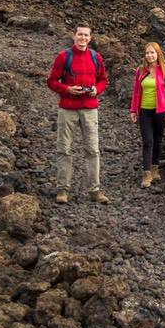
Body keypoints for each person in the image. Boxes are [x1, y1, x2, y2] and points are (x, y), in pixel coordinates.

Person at [47, 23, 107, 204]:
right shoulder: (63, 57)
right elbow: (51, 81)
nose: (83, 38)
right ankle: (63, 190)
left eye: (86, 35)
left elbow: (104, 80)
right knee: (64, 149)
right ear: (74, 36)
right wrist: (67, 89)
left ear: (90, 38)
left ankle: (95, 191)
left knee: (93, 150)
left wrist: (97, 90)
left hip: (90, 109)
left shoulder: (96, 57)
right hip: (68, 109)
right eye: (80, 35)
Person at [129, 41, 165, 188]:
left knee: (158, 140)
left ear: (158, 54)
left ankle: (155, 168)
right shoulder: (140, 71)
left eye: (152, 52)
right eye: (147, 53)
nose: (149, 55)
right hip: (144, 111)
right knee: (148, 141)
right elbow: (136, 91)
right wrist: (133, 110)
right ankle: (146, 173)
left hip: (161, 111)